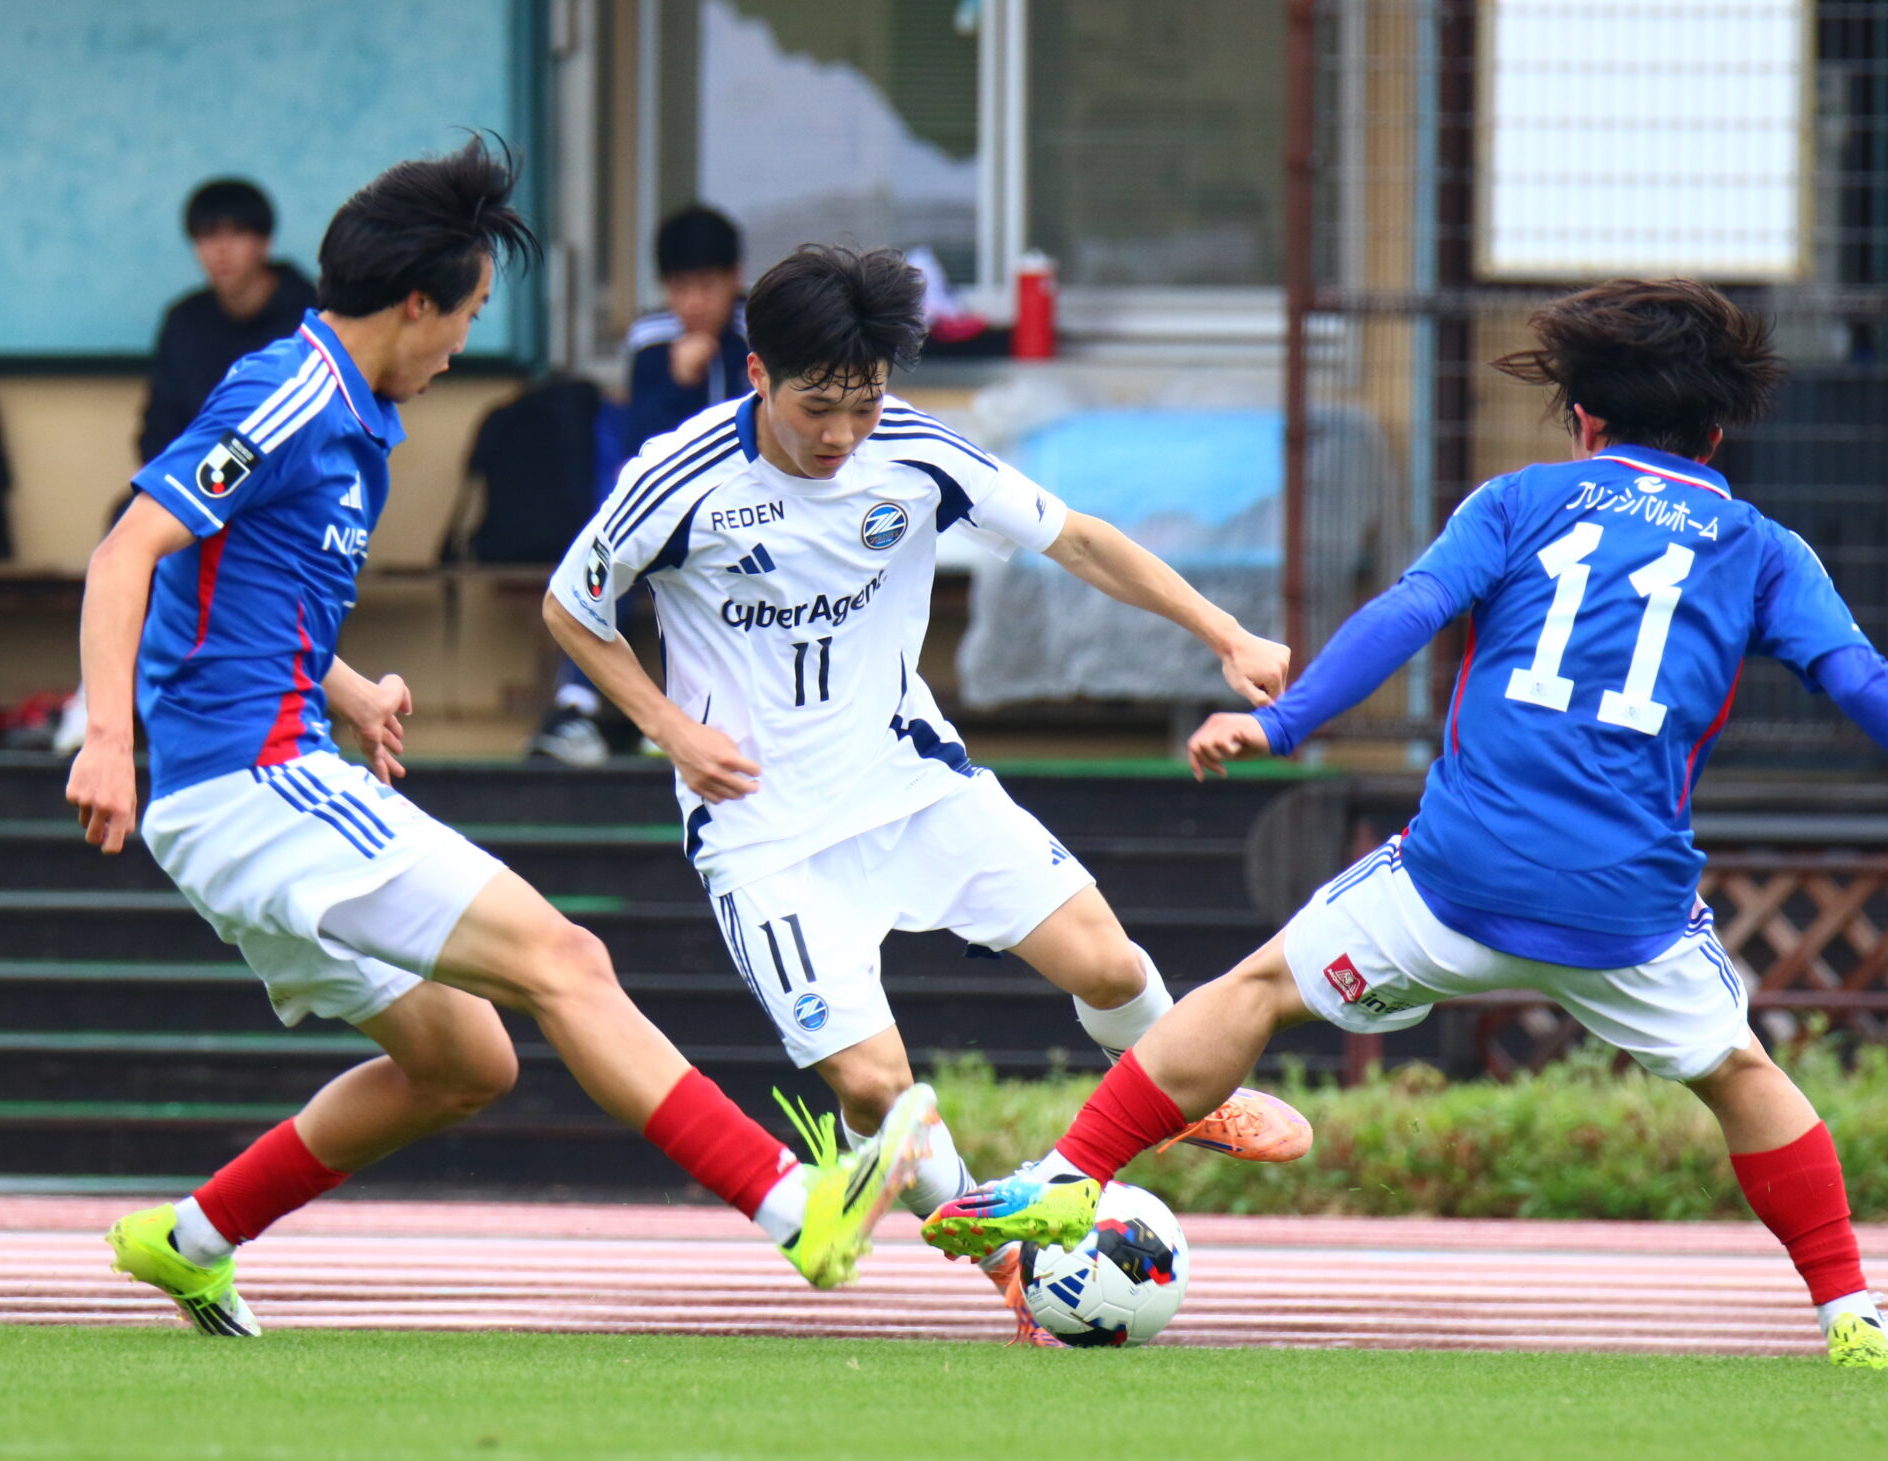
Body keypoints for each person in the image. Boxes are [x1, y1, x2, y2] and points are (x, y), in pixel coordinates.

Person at [921, 278, 1888, 1370]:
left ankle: (1068, 1175)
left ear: (1583, 419)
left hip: (1456, 878)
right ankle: (1849, 1312)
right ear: (1716, 436)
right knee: (1743, 1074)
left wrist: (1283, 725)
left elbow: (1407, 611)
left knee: (1258, 991)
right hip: (1626, 907)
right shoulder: (1761, 550)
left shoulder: (1520, 501)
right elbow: (1864, 685)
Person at [70, 140, 926, 1337]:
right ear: (417, 305)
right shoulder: (291, 393)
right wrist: (107, 738)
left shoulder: (349, 411)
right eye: (468, 315)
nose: (462, 346)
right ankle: (796, 1209)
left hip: (253, 780)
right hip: (253, 785)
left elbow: (241, 586)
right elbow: (128, 550)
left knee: (466, 1063)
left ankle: (191, 1239)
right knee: (564, 961)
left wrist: (342, 686)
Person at [542, 243, 1312, 1340]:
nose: (840, 434)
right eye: (816, 407)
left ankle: (1188, 1097)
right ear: (757, 374)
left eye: (862, 405)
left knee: (1108, 963)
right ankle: (1006, 1260)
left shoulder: (916, 453)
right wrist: (670, 730)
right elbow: (572, 608)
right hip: (765, 836)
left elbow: (1078, 541)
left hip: (913, 786)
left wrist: (1224, 633)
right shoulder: (680, 479)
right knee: (875, 1091)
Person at [531, 205, 753, 765]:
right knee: (607, 558)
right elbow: (639, 439)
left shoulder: (759, 331)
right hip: (669, 502)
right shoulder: (652, 337)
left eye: (707, 285)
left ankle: (702, 713)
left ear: (734, 278)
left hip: (746, 505)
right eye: (680, 287)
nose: (693, 302)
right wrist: (678, 379)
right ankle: (575, 709)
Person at [137, 178, 319, 463]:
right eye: (207, 235)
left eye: (237, 233)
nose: (221, 250)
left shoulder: (313, 316)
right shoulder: (184, 320)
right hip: (199, 479)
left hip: (293, 478)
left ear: (265, 242)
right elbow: (160, 428)